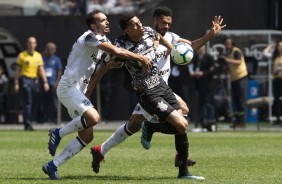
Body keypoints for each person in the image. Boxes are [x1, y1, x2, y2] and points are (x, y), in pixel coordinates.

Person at [88, 10, 225, 180]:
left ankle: (178, 157)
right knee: (140, 125)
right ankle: (168, 146)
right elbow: (111, 60)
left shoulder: (165, 36)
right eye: (163, 22)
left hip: (162, 87)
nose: (166, 25)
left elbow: (189, 46)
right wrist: (114, 66)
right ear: (154, 21)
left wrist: (210, 34)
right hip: (146, 90)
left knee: (175, 116)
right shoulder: (125, 43)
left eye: (169, 22)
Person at [42, 10, 151, 180]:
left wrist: (108, 67)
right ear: (94, 26)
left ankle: (52, 165)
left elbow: (102, 67)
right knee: (94, 117)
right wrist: (141, 58)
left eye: (107, 19)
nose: (107, 22)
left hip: (78, 90)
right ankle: (58, 133)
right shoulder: (90, 37)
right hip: (68, 87)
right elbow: (118, 52)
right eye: (102, 20)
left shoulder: (102, 41)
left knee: (87, 136)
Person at [14, 36, 50, 131]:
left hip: (35, 81)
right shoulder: (22, 55)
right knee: (28, 101)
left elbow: (41, 70)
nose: (31, 45)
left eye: (33, 43)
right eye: (30, 43)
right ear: (27, 44)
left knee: (33, 102)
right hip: (25, 80)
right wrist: (16, 82)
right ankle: (27, 124)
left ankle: (29, 120)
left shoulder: (38, 56)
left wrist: (45, 82)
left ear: (36, 44)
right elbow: (17, 70)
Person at [220, 38, 248, 128]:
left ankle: (242, 122)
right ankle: (237, 121)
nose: (227, 46)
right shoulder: (228, 54)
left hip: (241, 77)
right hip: (234, 79)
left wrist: (227, 60)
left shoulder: (236, 51)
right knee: (235, 100)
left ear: (232, 44)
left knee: (241, 100)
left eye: (229, 44)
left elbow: (239, 62)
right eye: (226, 44)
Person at [193, 45, 217, 131]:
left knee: (208, 103)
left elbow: (213, 69)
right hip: (199, 85)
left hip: (208, 84)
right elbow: (193, 68)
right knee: (200, 104)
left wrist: (204, 73)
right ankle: (201, 123)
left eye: (201, 47)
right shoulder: (195, 58)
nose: (200, 49)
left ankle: (210, 122)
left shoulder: (209, 57)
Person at [39, 42, 63, 124]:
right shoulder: (42, 58)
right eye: (48, 49)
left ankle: (55, 119)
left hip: (53, 83)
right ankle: (43, 119)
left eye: (52, 49)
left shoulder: (56, 59)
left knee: (54, 102)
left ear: (54, 50)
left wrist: (57, 82)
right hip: (44, 83)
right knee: (43, 102)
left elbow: (59, 71)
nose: (50, 51)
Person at [263, 41, 282, 126]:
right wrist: (270, 46)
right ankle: (277, 118)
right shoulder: (275, 57)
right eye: (279, 46)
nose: (280, 48)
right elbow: (265, 53)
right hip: (276, 80)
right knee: (276, 99)